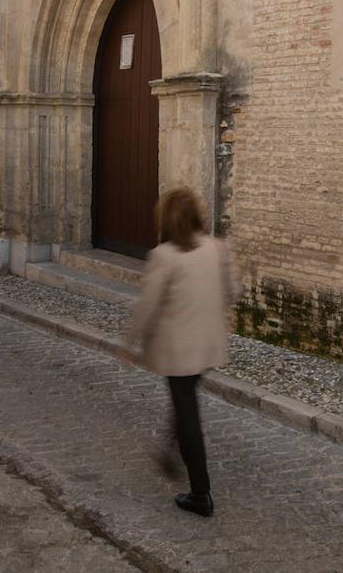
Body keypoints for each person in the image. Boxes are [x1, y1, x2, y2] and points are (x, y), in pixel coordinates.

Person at [121, 188, 239, 517]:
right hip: (208, 345)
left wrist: (130, 343)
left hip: (179, 350)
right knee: (185, 400)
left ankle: (200, 493)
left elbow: (147, 307)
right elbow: (233, 292)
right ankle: (169, 451)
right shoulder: (217, 248)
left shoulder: (165, 255)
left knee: (187, 412)